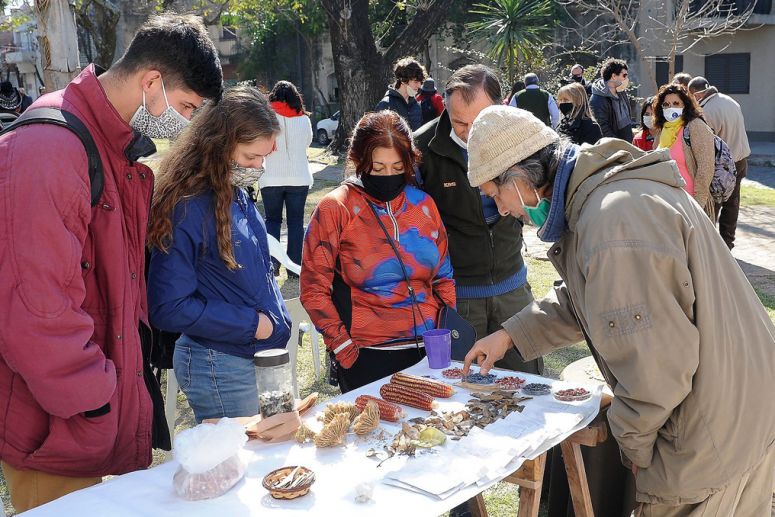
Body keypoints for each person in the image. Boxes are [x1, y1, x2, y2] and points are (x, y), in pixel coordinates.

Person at [464, 105, 775, 517]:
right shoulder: (607, 199)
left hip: (710, 439)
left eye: (494, 194)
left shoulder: (612, 223)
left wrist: (630, 442)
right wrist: (509, 335)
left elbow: (656, 371)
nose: (502, 210)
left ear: (521, 177)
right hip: (738, 411)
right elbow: (590, 297)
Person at [0, 13, 223, 512]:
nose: (184, 123)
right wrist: (95, 397)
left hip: (92, 414)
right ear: (151, 83)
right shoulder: (49, 148)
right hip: (57, 427)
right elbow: (36, 309)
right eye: (185, 106)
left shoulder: (112, 147)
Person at [148, 86, 291, 423]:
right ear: (219, 146)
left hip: (255, 355)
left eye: (263, 158)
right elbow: (168, 307)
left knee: (273, 454)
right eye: (250, 158)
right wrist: (252, 324)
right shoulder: (187, 207)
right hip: (222, 363)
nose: (259, 167)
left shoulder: (233, 189)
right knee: (244, 466)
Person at [300, 110, 455, 393]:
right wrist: (343, 347)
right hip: (366, 356)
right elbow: (313, 289)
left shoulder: (424, 205)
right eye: (377, 168)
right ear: (359, 161)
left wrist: (447, 329)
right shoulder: (336, 208)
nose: (388, 176)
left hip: (429, 353)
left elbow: (444, 276)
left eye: (398, 168)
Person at [414, 64, 542, 375]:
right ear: (444, 106)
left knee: (528, 382)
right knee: (463, 387)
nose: (472, 134)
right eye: (460, 124)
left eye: (481, 121)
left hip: (513, 286)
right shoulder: (422, 149)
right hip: (459, 296)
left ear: (501, 107)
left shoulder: (519, 139)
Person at [689, 76, 751, 250]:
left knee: (713, 204)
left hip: (721, 165)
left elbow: (705, 144)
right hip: (741, 160)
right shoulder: (730, 100)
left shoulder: (707, 111)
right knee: (732, 204)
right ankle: (727, 244)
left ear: (697, 95)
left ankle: (711, 247)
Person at [260, 80, 313, 277]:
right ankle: (294, 268)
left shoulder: (266, 118)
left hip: (271, 177)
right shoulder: (304, 120)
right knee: (295, 223)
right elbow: (307, 143)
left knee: (272, 221)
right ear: (295, 98)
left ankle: (273, 264)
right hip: (299, 177)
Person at [651, 84, 715, 218]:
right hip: (666, 202)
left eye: (676, 103)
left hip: (690, 202)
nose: (670, 107)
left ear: (685, 105)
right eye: (666, 104)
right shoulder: (662, 130)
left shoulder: (696, 126)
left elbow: (706, 167)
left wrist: (698, 204)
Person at [376, 56, 425, 131]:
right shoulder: (385, 105)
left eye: (420, 82)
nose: (419, 85)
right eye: (416, 81)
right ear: (403, 80)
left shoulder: (417, 106)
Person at [590, 58, 633, 142]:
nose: (626, 79)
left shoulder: (621, 92)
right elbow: (603, 128)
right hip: (612, 147)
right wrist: (618, 144)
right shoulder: (597, 99)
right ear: (613, 76)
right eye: (624, 75)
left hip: (627, 144)